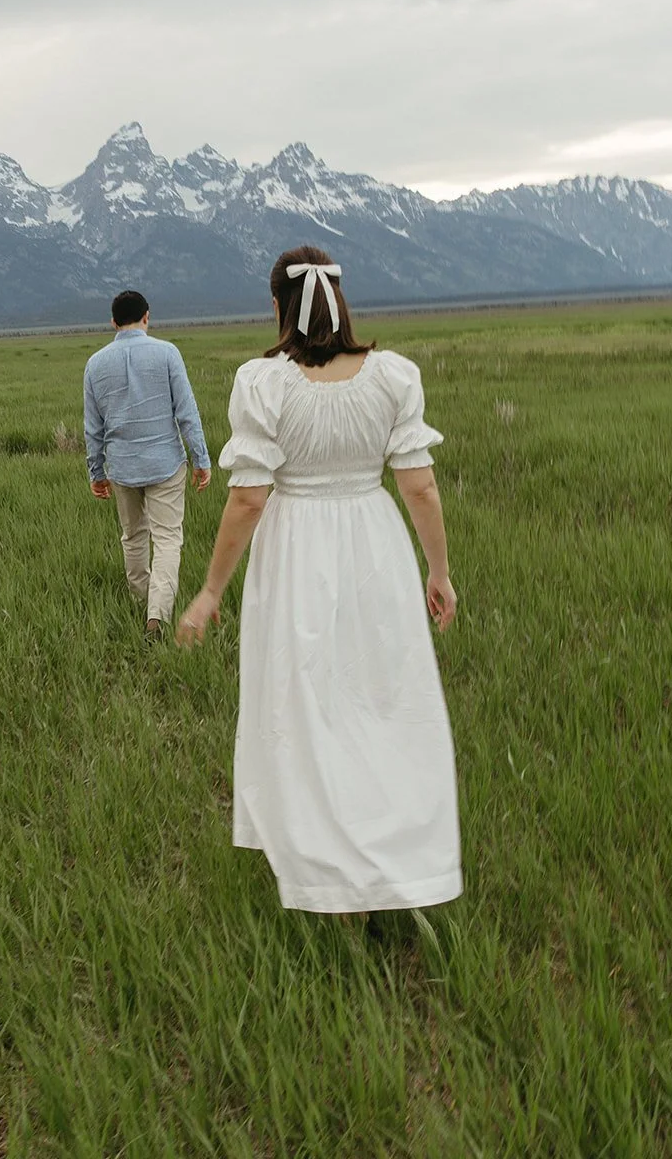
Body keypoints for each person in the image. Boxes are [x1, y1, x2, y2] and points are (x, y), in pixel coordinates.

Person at [176, 247, 461, 916]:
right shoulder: (393, 375)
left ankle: (326, 868)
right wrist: (439, 571)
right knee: (382, 701)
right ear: (340, 300)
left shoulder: (263, 381)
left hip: (295, 549)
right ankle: (395, 862)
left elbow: (247, 499)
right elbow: (417, 486)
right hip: (375, 546)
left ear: (277, 307)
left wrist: (211, 591)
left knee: (306, 704)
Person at [84, 290, 212, 635]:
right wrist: (201, 458)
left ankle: (142, 602)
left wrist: (96, 472)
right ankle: (157, 615)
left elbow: (92, 429)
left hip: (122, 467)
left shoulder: (95, 364)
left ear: (113, 322)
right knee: (168, 539)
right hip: (166, 463)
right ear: (147, 316)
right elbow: (187, 412)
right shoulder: (167, 353)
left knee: (133, 537)